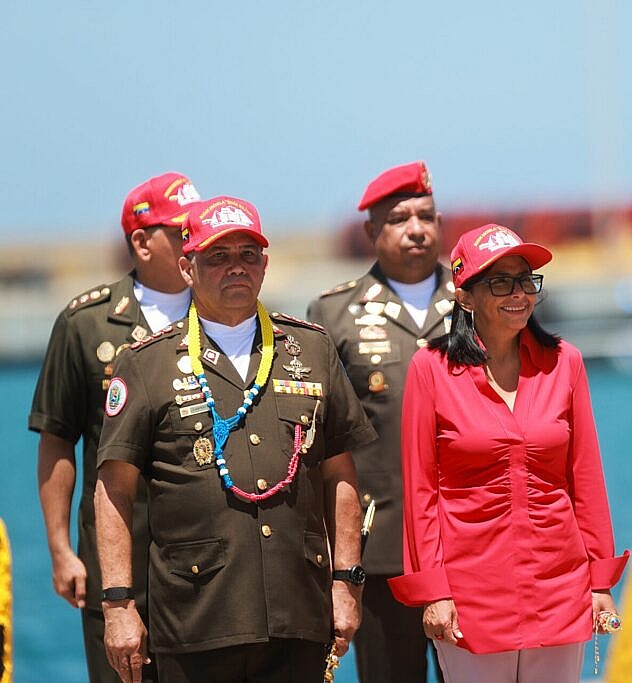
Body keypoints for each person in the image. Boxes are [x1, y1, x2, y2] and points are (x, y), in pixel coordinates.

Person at [94, 196, 378, 683]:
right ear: (187, 267)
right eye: (218, 257)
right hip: (196, 614)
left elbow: (339, 474)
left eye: (248, 254)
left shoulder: (310, 349)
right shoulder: (145, 364)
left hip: (297, 610)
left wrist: (347, 581)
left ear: (264, 264)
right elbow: (114, 491)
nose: (236, 268)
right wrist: (118, 604)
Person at [387, 223, 629, 683]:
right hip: (470, 589)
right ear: (465, 296)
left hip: (560, 583)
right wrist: (434, 590)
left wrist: (599, 581)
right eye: (500, 282)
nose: (518, 293)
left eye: (525, 280)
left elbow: (586, 480)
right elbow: (421, 491)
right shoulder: (430, 370)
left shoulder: (565, 362)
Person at [30, 171, 201, 683]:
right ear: (142, 242)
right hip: (118, 560)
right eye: (180, 231)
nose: (194, 240)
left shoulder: (224, 313)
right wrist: (61, 550)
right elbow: (57, 438)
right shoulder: (86, 323)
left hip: (206, 560)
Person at [307, 160, 453, 683]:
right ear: (372, 232)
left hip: (473, 540)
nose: (416, 229)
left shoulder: (481, 300)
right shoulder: (333, 315)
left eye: (426, 216)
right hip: (381, 543)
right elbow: (315, 441)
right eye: (399, 219)